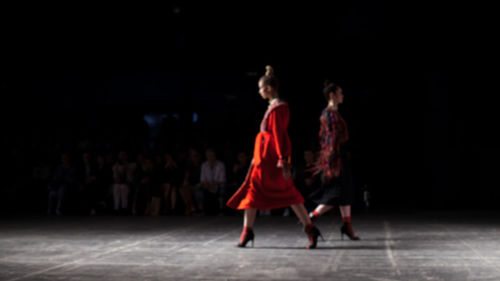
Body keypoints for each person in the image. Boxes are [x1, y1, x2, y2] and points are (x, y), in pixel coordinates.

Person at [226, 65, 322, 249]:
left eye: (260, 88)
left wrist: (283, 159)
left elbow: (280, 135)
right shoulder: (273, 107)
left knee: (289, 194)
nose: (259, 92)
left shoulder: (278, 108)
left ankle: (310, 228)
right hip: (264, 160)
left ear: (268, 88)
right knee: (253, 193)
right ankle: (247, 232)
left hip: (271, 161)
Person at [308, 80, 360, 241]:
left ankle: (347, 226)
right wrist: (332, 161)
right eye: (340, 93)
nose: (342, 95)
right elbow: (329, 140)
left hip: (340, 156)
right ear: (332, 95)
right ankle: (311, 217)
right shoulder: (328, 114)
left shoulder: (335, 113)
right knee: (336, 194)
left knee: (345, 192)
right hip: (335, 158)